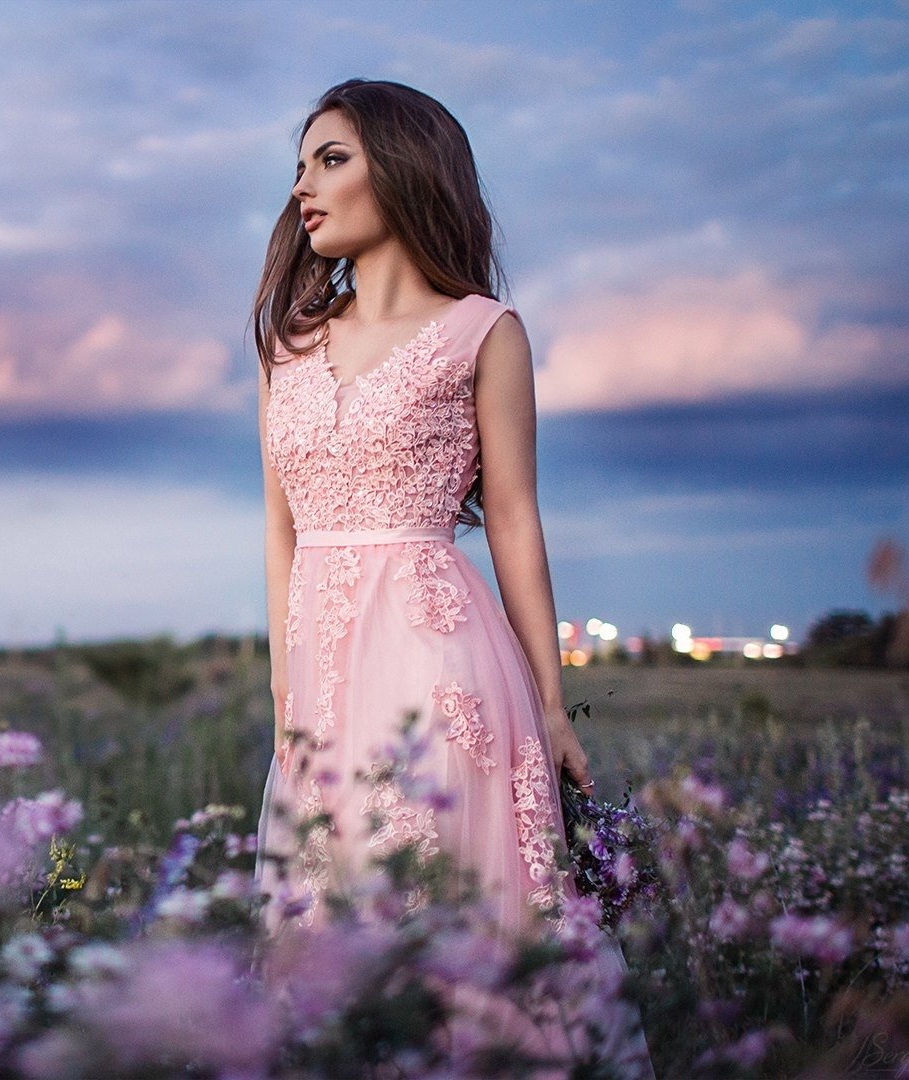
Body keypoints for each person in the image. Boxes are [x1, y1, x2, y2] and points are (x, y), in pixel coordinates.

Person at [248, 79, 656, 1078]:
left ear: (404, 164)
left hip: (442, 669)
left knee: (450, 926)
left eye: (332, 159)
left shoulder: (484, 331)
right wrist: (283, 691)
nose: (304, 186)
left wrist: (553, 703)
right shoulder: (286, 344)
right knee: (328, 934)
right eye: (300, 164)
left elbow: (513, 518)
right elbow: (280, 531)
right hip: (320, 686)